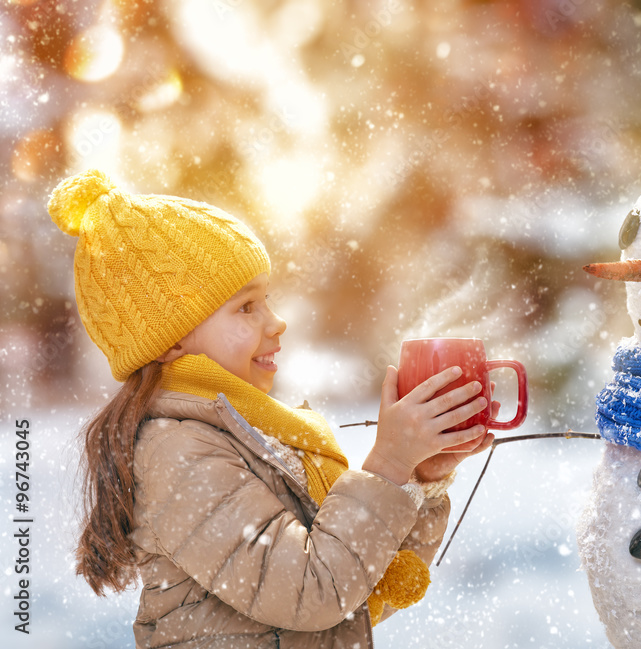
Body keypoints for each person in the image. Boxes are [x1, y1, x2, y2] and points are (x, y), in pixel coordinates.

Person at [49, 168, 496, 648]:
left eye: (268, 300)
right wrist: (386, 466)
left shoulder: (254, 438)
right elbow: (314, 590)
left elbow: (354, 596)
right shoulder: (179, 454)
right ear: (168, 342)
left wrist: (418, 481)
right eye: (247, 308)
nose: (276, 321)